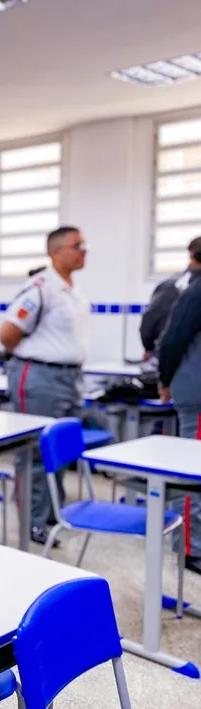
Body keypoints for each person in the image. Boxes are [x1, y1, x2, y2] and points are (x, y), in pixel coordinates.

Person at [0, 226, 89, 546]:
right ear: (56, 252)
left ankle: (51, 513)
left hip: (68, 378)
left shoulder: (72, 290)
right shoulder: (40, 287)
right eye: (77, 246)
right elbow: (8, 334)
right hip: (39, 377)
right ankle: (32, 521)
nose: (84, 251)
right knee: (36, 452)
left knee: (59, 450)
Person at [157, 276, 201, 576]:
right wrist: (165, 380)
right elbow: (172, 340)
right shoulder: (196, 291)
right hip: (197, 394)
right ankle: (189, 548)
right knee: (192, 473)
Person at [142, 236, 201, 357]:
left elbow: (150, 320)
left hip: (177, 360)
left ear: (191, 255)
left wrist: (149, 348)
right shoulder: (177, 286)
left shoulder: (174, 286)